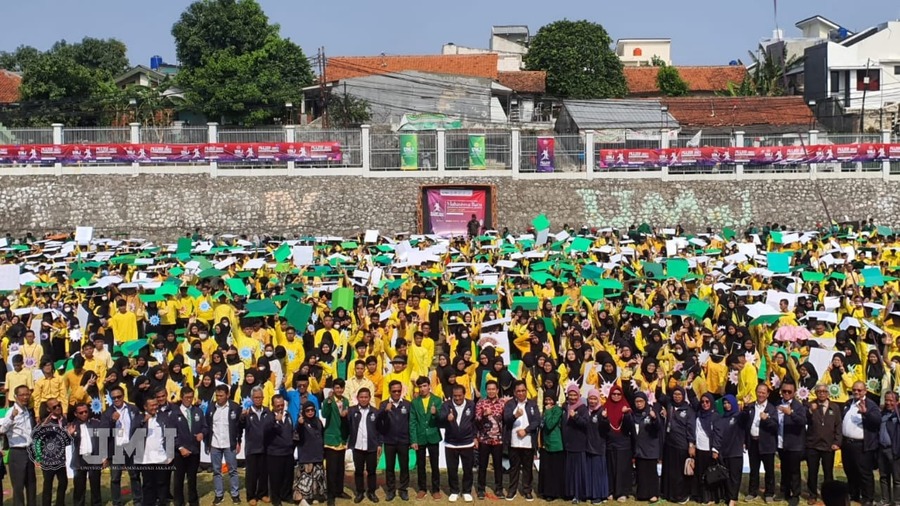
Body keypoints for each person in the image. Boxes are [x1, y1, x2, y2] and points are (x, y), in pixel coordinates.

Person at [101, 385, 142, 506]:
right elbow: (104, 432)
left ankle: (138, 500)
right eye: (113, 398)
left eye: (119, 396)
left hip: (131, 446)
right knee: (115, 478)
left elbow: (139, 425)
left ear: (123, 396)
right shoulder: (107, 413)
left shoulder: (133, 409)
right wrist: (112, 421)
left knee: (134, 475)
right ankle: (117, 502)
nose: (116, 399)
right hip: (116, 449)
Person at [841, 381, 881, 506]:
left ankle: (868, 498)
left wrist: (866, 413)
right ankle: (854, 494)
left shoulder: (871, 404)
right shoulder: (849, 403)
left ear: (865, 391)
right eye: (854, 390)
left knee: (864, 473)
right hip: (847, 444)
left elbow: (877, 421)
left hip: (862, 445)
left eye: (859, 390)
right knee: (850, 471)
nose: (856, 392)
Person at [203, 384, 242, 505]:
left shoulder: (235, 407)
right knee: (216, 471)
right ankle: (219, 494)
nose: (219, 398)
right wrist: (207, 443)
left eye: (221, 395)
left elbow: (239, 427)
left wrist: (238, 441)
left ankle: (235, 494)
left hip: (229, 444)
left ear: (228, 395)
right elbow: (207, 426)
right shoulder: (210, 407)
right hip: (215, 444)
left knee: (233, 470)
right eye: (217, 395)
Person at [503, 380, 540, 501]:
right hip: (513, 441)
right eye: (518, 391)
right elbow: (506, 419)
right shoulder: (509, 404)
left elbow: (537, 421)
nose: (521, 393)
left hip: (528, 441)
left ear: (526, 391)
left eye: (523, 390)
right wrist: (515, 416)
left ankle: (527, 490)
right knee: (514, 467)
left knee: (527, 467)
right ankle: (512, 490)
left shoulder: (532, 404)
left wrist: (526, 430)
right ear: (514, 392)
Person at [439, 383, 477, 503]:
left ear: (464, 395)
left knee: (467, 469)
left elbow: (475, 422)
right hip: (451, 443)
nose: (457, 398)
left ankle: (466, 491)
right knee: (452, 469)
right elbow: (439, 418)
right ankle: (454, 491)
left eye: (460, 396)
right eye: (455, 396)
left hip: (467, 443)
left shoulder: (471, 404)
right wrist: (446, 417)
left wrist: (475, 437)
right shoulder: (446, 405)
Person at [806, 384, 842, 505]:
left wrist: (837, 442)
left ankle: (829, 495)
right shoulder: (810, 405)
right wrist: (811, 411)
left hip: (828, 445)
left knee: (828, 472)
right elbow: (803, 420)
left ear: (828, 393)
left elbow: (838, 426)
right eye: (819, 391)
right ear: (815, 393)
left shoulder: (835, 407)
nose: (821, 393)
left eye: (824, 391)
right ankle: (812, 494)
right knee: (812, 471)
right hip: (813, 445)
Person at [376, 380, 411, 501]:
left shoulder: (407, 404)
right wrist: (385, 411)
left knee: (404, 466)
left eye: (399, 391)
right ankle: (391, 491)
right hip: (389, 440)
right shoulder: (384, 404)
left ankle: (403, 490)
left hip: (403, 440)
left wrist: (411, 440)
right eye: (394, 391)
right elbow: (378, 421)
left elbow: (411, 423)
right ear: (390, 391)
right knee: (389, 467)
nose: (396, 393)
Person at [743, 384, 778, 502]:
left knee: (769, 470)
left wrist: (766, 419)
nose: (761, 394)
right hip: (752, 442)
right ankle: (752, 492)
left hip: (767, 444)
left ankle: (769, 493)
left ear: (768, 394)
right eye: (759, 392)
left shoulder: (772, 408)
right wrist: (746, 406)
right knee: (754, 469)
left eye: (763, 392)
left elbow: (775, 426)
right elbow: (744, 422)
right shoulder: (752, 406)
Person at [410, 376, 442, 500]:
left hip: (433, 436)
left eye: (424, 386)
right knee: (421, 465)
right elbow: (412, 422)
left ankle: (436, 489)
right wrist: (413, 440)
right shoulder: (415, 402)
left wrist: (436, 414)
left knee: (435, 464)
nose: (422, 389)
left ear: (429, 386)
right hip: (420, 436)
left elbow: (441, 419)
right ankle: (422, 488)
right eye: (420, 386)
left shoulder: (437, 400)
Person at [661, 386, 695, 505]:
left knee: (681, 472)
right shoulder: (669, 405)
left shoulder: (688, 410)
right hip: (670, 444)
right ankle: (669, 494)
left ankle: (682, 495)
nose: (677, 396)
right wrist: (660, 382)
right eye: (675, 394)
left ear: (683, 395)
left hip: (682, 445)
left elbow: (691, 428)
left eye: (679, 394)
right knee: (670, 471)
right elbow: (659, 396)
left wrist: (691, 444)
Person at [172, 386, 205, 506]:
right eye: (186, 397)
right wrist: (180, 448)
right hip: (179, 452)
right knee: (178, 479)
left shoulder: (198, 411)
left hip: (194, 451)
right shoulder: (175, 413)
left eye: (191, 397)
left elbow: (205, 427)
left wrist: (202, 433)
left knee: (192, 478)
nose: (189, 400)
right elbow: (170, 433)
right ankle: (179, 501)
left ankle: (193, 501)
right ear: (181, 397)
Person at [137, 396, 173, 506]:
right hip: (146, 459)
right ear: (145, 407)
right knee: (148, 485)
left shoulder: (163, 417)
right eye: (151, 405)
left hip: (161, 458)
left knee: (162, 483)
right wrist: (143, 422)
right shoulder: (139, 418)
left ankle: (162, 503)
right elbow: (133, 434)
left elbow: (169, 435)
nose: (154, 407)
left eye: (155, 404)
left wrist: (170, 454)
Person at [348, 388, 380, 503]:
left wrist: (379, 444)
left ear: (370, 398)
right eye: (361, 397)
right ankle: (360, 492)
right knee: (359, 471)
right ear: (357, 398)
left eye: (366, 397)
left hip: (371, 446)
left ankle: (371, 492)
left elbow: (379, 430)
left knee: (371, 471)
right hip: (357, 446)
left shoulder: (375, 412)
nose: (363, 399)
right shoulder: (351, 411)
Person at [776, 382, 806, 506]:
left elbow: (803, 421)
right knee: (784, 469)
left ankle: (795, 494)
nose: (787, 394)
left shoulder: (798, 406)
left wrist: (791, 414)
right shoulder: (777, 404)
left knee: (794, 471)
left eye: (789, 391)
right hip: (781, 443)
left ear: (794, 393)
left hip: (794, 444)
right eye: (784, 391)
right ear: (781, 392)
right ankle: (784, 491)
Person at [474, 379, 505, 499]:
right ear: (486, 390)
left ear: (497, 390)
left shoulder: (502, 403)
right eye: (489, 389)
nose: (491, 391)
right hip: (484, 440)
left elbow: (506, 419)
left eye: (493, 389)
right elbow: (476, 420)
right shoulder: (481, 403)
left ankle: (499, 489)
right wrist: (483, 416)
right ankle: (481, 489)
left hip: (498, 440)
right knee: (482, 465)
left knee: (498, 466)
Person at [69, 402, 103, 506]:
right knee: (79, 487)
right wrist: (70, 435)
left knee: (95, 486)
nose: (84, 414)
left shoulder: (95, 423)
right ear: (76, 414)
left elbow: (103, 439)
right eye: (81, 412)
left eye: (86, 412)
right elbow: (66, 441)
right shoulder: (72, 426)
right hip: (80, 460)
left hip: (94, 458)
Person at [322, 378, 350, 506]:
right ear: (333, 388)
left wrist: (346, 415)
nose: (339, 390)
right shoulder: (329, 401)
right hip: (331, 439)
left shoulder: (346, 401)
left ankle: (339, 490)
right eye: (337, 388)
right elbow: (324, 414)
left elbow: (346, 418)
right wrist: (328, 401)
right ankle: (330, 495)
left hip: (342, 439)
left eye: (341, 388)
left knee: (340, 468)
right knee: (331, 469)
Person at [242, 385, 271, 505]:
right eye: (256, 397)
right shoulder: (247, 412)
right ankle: (251, 496)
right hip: (252, 448)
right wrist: (243, 417)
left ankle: (263, 493)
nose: (258, 399)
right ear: (252, 398)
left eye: (260, 397)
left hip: (265, 448)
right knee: (252, 474)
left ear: (263, 398)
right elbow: (240, 425)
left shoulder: (267, 411)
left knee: (264, 473)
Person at [264, 394, 295, 506]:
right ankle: (276, 498)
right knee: (275, 478)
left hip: (288, 451)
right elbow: (266, 430)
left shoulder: (288, 415)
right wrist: (274, 421)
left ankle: (286, 495)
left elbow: (291, 430)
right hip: (275, 453)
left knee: (288, 476)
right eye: (278, 406)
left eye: (282, 405)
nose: (280, 407)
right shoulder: (269, 416)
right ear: (273, 405)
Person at [561, 383, 590, 503]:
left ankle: (578, 494)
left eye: (575, 395)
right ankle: (570, 492)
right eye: (570, 395)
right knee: (570, 471)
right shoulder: (564, 407)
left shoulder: (582, 408)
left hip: (578, 444)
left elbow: (585, 424)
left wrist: (576, 416)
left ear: (578, 395)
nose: (572, 397)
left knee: (578, 471)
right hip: (567, 444)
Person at [632, 392, 662, 503]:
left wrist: (654, 418)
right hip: (639, 449)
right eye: (636, 402)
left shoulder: (650, 412)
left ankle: (654, 494)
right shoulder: (634, 414)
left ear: (645, 401)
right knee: (641, 472)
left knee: (651, 473)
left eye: (641, 401)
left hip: (650, 448)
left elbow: (658, 426)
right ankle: (642, 494)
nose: (639, 404)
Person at [295, 401, 327, 506]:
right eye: (307, 410)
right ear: (304, 412)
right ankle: (304, 498)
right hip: (306, 455)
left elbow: (322, 436)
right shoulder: (301, 422)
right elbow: (297, 435)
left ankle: (316, 496)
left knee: (317, 477)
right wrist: (299, 424)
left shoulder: (318, 421)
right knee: (306, 478)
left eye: (312, 410)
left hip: (317, 454)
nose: (310, 412)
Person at [37, 399, 68, 506]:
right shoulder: (46, 422)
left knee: (63, 483)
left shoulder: (64, 420)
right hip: (49, 460)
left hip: (62, 459)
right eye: (54, 407)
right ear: (48, 409)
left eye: (58, 405)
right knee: (48, 485)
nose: (58, 408)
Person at [716, 395, 745, 506]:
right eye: (725, 403)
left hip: (735, 451)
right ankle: (728, 496)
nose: (726, 405)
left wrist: (746, 406)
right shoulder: (722, 418)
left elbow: (745, 417)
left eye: (729, 403)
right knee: (726, 476)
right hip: (724, 451)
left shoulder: (738, 416)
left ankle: (733, 498)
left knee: (735, 476)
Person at [538, 393, 566, 502]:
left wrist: (548, 412)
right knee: (546, 470)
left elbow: (550, 424)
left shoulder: (557, 410)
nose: (548, 402)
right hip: (546, 444)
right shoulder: (545, 410)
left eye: (550, 400)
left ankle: (554, 492)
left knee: (555, 470)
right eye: (546, 400)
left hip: (555, 444)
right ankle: (545, 491)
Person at [879, 391, 900, 506]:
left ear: (897, 401)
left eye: (891, 400)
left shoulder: (898, 415)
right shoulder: (882, 413)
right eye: (886, 400)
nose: (888, 403)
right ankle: (885, 500)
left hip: (894, 450)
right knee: (883, 477)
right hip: (882, 450)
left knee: (897, 479)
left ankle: (897, 501)